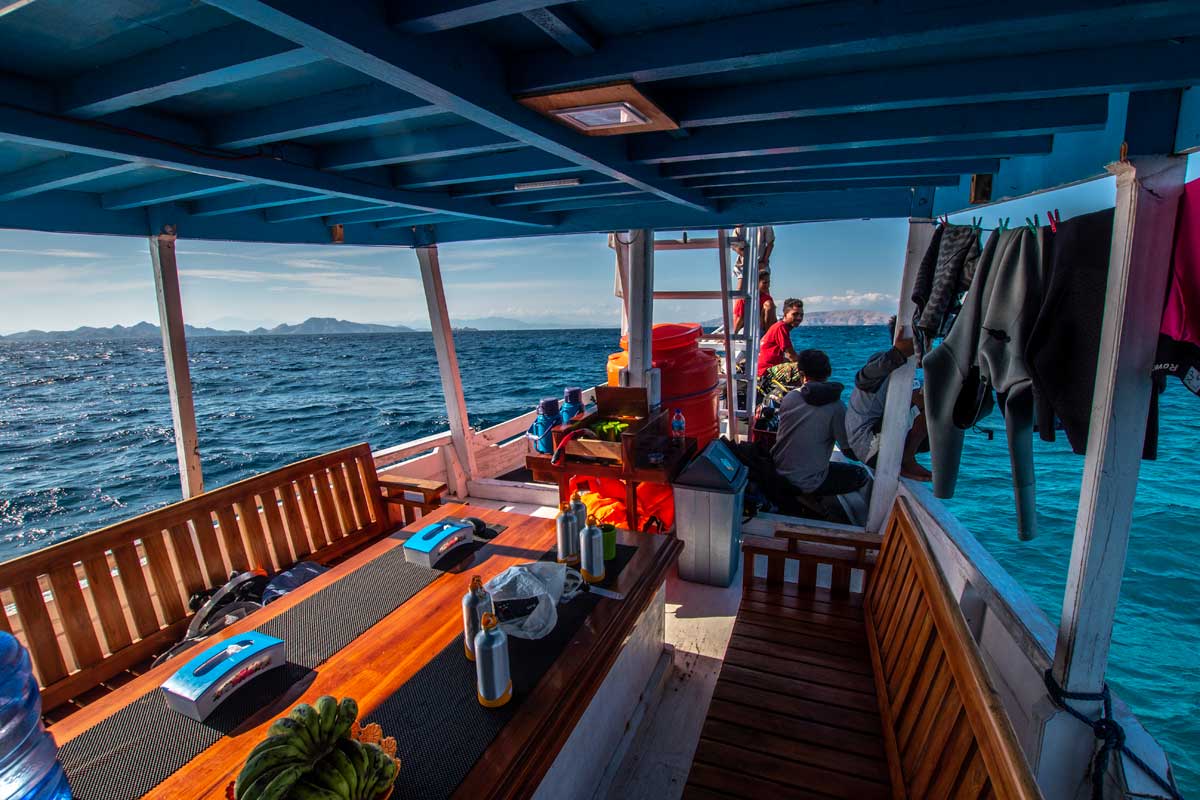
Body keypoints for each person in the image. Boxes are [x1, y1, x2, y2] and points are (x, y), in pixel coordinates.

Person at [771, 349, 869, 496]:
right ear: (828, 373)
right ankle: (810, 499)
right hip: (807, 482)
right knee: (861, 474)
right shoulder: (837, 407)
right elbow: (849, 452)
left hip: (778, 472)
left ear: (802, 374)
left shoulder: (790, 397)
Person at [845, 319, 933, 481]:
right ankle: (907, 460)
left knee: (934, 403)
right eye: (928, 340)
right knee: (929, 403)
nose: (931, 345)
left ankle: (906, 459)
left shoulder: (907, 369)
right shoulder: (884, 362)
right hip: (869, 447)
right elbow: (863, 379)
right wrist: (898, 352)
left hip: (880, 446)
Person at [757, 298, 803, 379]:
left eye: (801, 315)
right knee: (806, 368)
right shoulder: (781, 328)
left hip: (766, 369)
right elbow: (791, 355)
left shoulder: (779, 326)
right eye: (795, 314)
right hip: (766, 371)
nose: (799, 318)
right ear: (785, 314)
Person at [733, 269, 776, 335]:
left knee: (769, 305)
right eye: (765, 283)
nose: (768, 285)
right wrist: (734, 334)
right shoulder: (745, 298)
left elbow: (773, 318)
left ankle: (769, 337)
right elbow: (740, 319)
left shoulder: (767, 298)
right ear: (756, 283)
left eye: (769, 282)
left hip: (761, 329)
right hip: (746, 330)